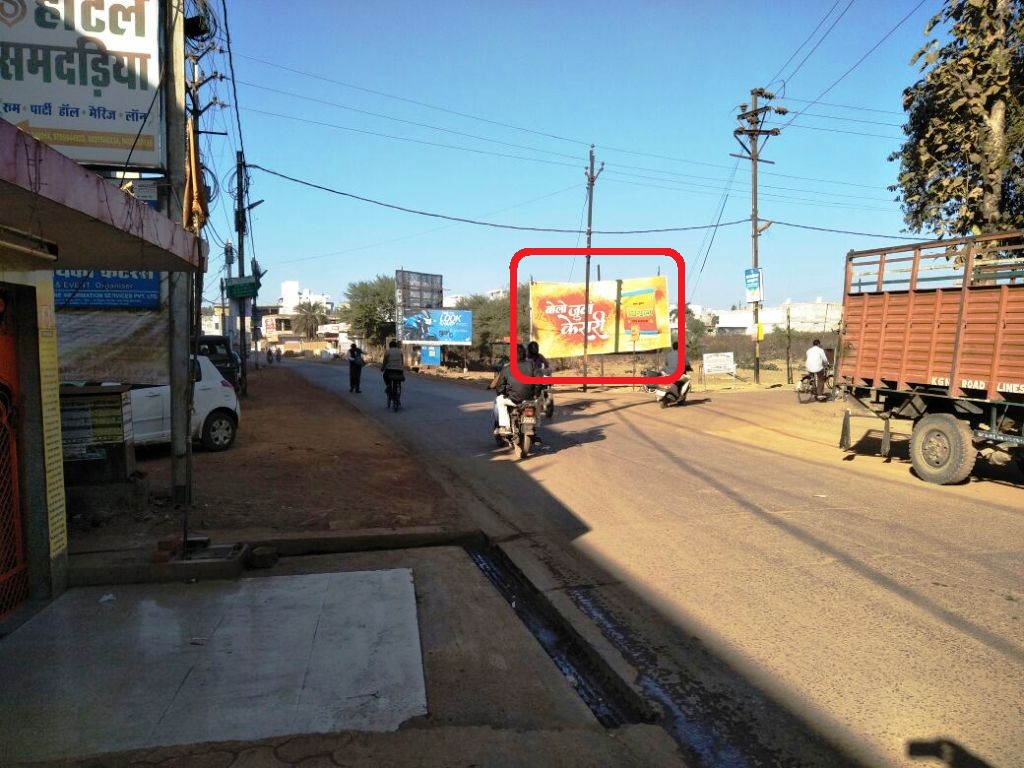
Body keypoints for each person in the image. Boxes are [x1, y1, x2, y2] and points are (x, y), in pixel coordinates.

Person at [488, 344, 539, 433]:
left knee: (499, 400)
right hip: (529, 399)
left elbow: (500, 387)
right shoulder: (532, 366)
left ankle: (505, 427)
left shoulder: (507, 368)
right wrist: (535, 394)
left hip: (514, 399)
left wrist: (501, 393)